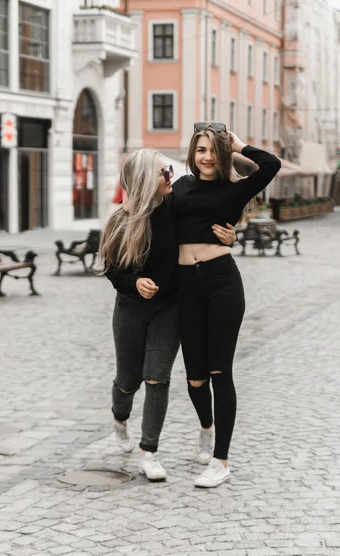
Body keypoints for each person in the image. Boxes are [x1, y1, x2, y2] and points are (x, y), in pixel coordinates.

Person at [98, 148, 236, 481]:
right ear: (148, 180)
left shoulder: (175, 208)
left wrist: (232, 236)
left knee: (157, 377)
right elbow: (112, 271)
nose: (170, 177)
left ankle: (150, 453)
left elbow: (206, 230)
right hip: (131, 308)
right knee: (129, 382)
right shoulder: (122, 219)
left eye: (170, 172)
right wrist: (135, 282)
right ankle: (119, 418)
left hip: (169, 307)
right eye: (164, 173)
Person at [171, 123, 281, 488]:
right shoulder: (179, 188)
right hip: (186, 286)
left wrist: (238, 144)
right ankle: (206, 427)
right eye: (200, 150)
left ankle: (221, 460)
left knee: (221, 373)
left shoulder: (235, 189)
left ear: (223, 154)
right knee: (194, 377)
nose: (206, 157)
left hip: (222, 283)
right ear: (193, 153)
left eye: (213, 150)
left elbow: (270, 164)